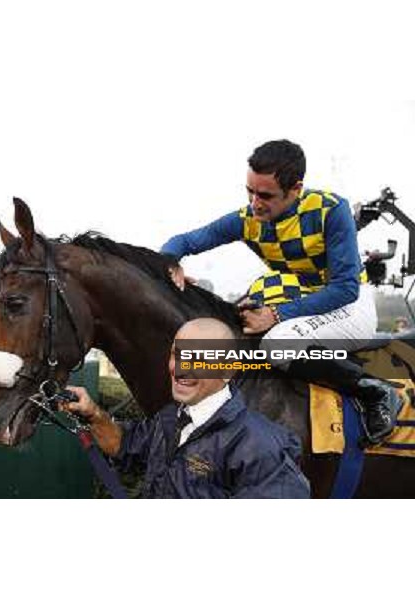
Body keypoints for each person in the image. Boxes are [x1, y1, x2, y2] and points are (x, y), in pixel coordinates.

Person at [160, 139, 400, 446]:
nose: (255, 202)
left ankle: (375, 390)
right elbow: (185, 240)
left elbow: (345, 288)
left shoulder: (332, 210)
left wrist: (275, 314)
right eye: (249, 191)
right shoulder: (247, 219)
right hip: (301, 297)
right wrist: (169, 262)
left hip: (349, 304)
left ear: (296, 189)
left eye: (265, 195)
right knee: (239, 317)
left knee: (276, 343)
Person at [63, 318, 310, 499]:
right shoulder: (170, 418)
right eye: (176, 355)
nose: (180, 369)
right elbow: (125, 445)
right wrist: (93, 414)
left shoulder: (260, 447)